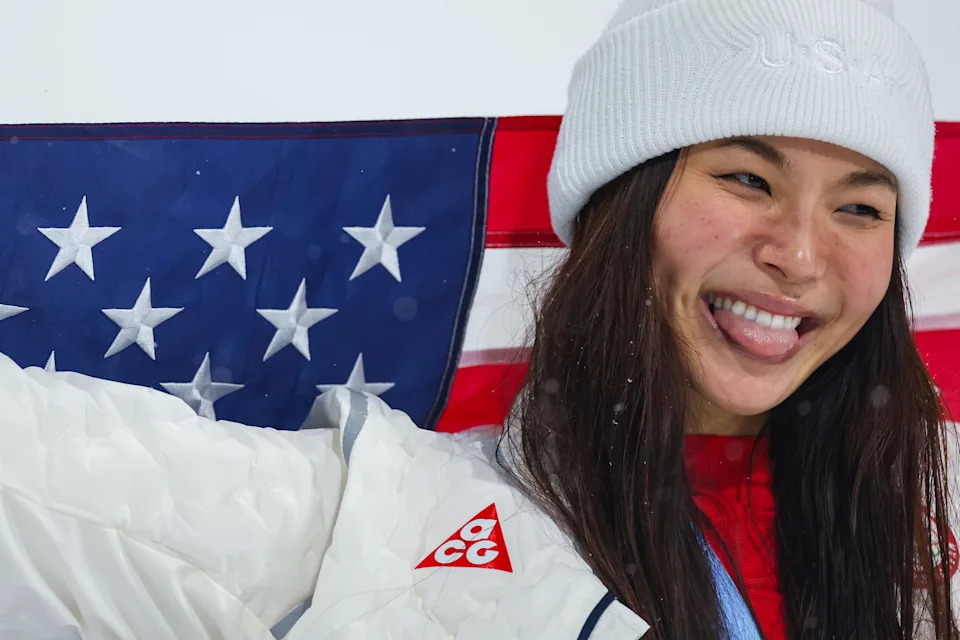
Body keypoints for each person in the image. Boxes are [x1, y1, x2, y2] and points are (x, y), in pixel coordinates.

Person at [0, 0, 957, 638]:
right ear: (623, 210)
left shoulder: (930, 546)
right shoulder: (383, 519)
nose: (798, 254)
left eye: (861, 208)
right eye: (748, 179)